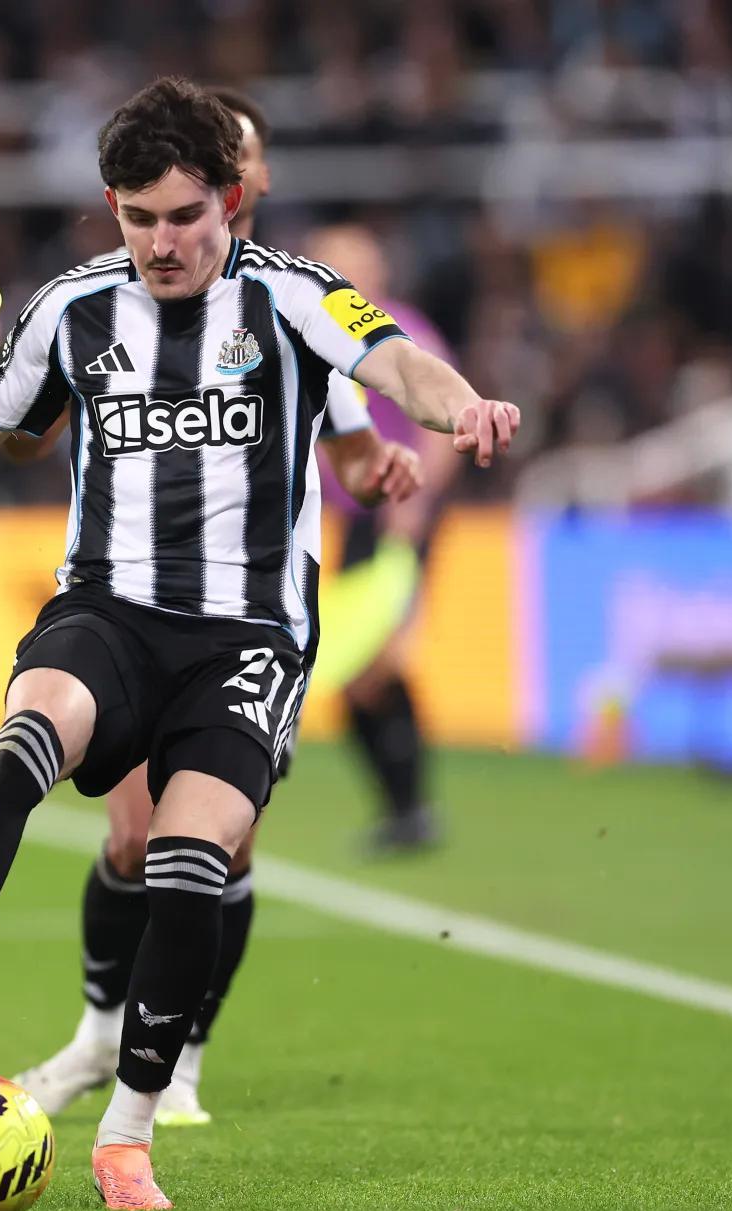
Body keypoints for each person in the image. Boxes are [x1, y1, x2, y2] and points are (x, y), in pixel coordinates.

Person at [0, 76, 518, 1211]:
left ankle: (127, 1131)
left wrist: (459, 404)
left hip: (247, 636)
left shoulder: (295, 296)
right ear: (109, 208)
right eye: (137, 218)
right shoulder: (68, 308)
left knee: (190, 853)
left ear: (232, 200)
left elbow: (396, 366)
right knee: (22, 743)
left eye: (183, 216)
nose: (161, 243)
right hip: (109, 611)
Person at [7, 87, 423, 1129]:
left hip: (251, 619)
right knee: (130, 838)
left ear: (248, 180)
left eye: (233, 157)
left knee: (214, 848)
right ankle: (99, 1033)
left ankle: (179, 1052)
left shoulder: (299, 308)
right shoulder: (119, 301)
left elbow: (353, 440)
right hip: (134, 608)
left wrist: (376, 468)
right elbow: (42, 424)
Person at [305, 222, 461, 855]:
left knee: (376, 664)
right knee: (352, 670)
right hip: (356, 520)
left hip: (400, 514)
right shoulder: (313, 336)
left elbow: (444, 421)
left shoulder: (402, 331)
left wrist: (417, 504)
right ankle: (405, 810)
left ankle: (412, 808)